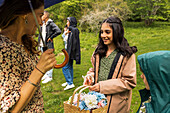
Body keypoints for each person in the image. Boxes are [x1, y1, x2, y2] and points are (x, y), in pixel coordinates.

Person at [0, 0, 57, 112]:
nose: (41, 22)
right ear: (25, 15)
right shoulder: (3, 48)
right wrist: (39, 69)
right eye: (40, 15)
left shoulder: (25, 41)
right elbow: (11, 109)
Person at [83, 16, 137, 113]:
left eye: (107, 32)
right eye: (102, 32)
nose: (103, 35)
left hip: (116, 105)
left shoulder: (127, 54)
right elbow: (95, 69)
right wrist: (90, 77)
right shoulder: (99, 51)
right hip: (97, 101)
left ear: (117, 32)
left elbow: (129, 81)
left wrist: (102, 87)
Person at [38, 11, 61, 84]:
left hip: (48, 45)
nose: (41, 17)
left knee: (49, 60)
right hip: (42, 45)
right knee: (44, 60)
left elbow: (58, 31)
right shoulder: (43, 24)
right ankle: (46, 74)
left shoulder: (50, 23)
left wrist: (51, 37)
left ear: (46, 16)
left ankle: (50, 76)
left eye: (43, 15)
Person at [62, 17, 81, 90]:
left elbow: (74, 42)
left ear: (71, 22)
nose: (66, 23)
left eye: (68, 21)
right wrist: (65, 32)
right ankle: (69, 81)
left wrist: (68, 29)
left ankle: (70, 83)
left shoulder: (74, 30)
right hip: (68, 50)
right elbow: (63, 38)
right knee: (69, 66)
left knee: (64, 67)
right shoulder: (69, 30)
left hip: (70, 51)